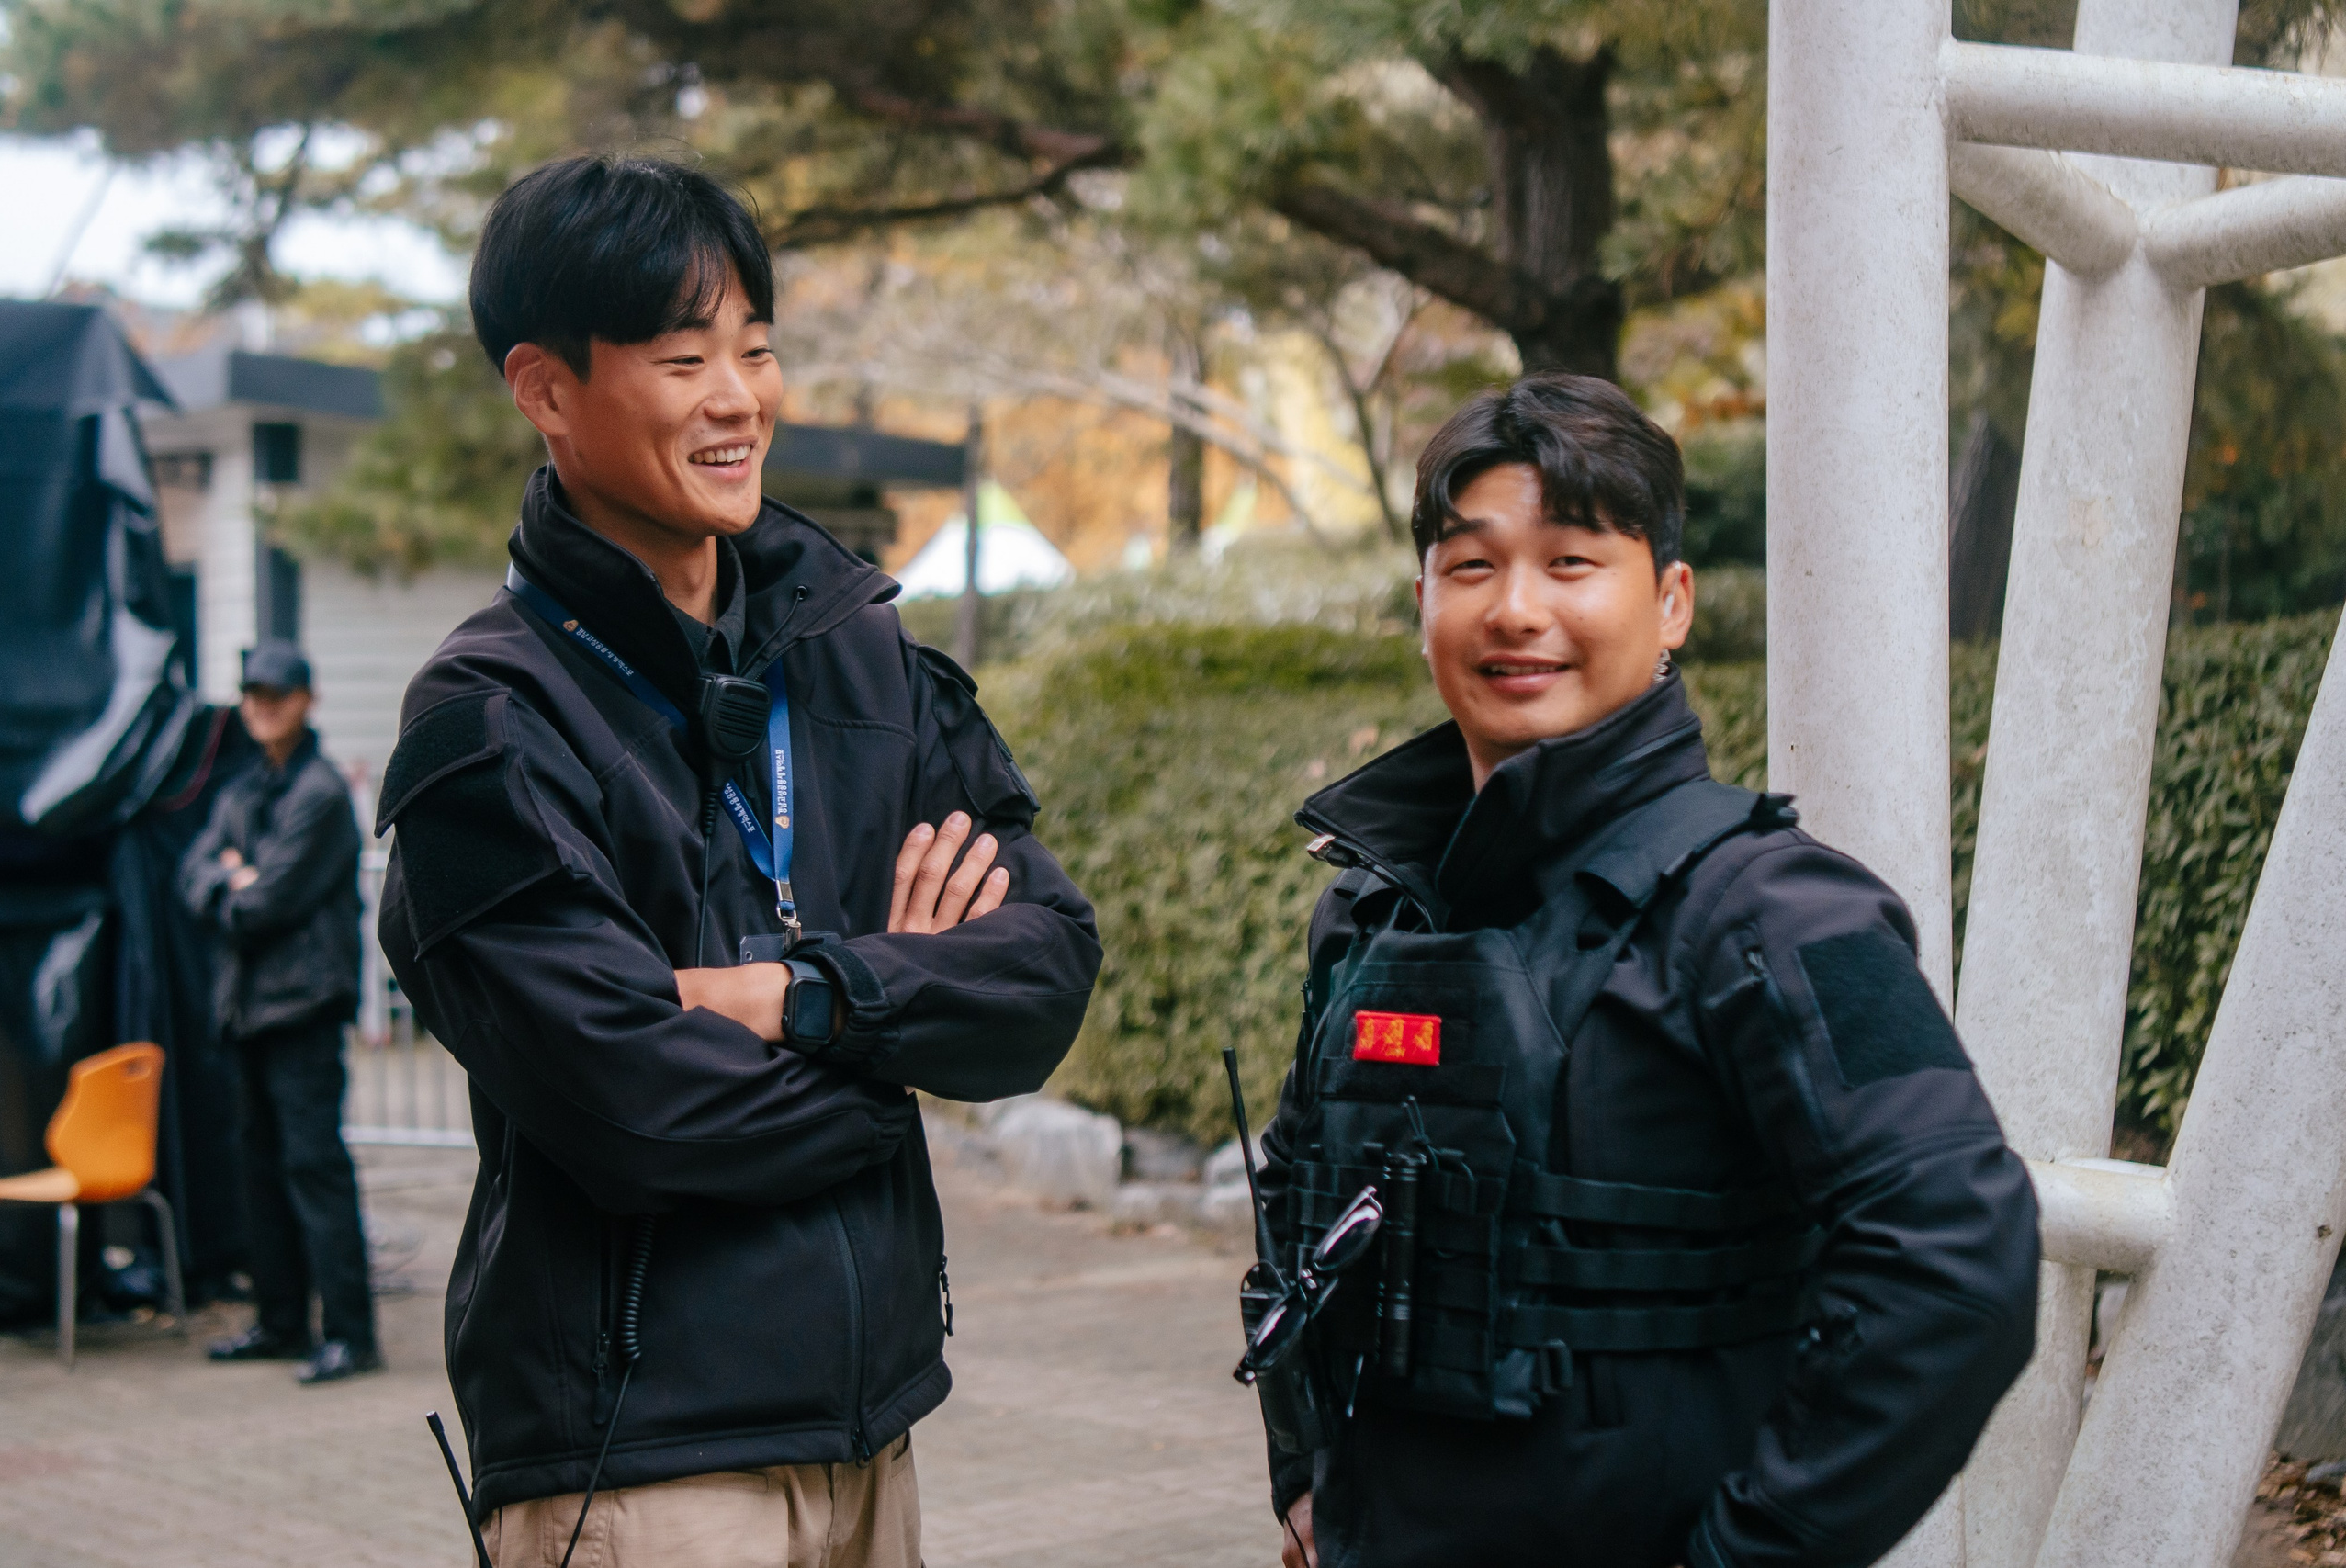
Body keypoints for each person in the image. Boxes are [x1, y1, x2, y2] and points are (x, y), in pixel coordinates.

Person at [376, 154, 1101, 1568]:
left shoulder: (859, 653)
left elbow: (1045, 971)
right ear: (544, 388)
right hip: (642, 1465)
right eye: (682, 357)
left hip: (875, 1437)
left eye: (756, 349)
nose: (738, 397)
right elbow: (638, 1109)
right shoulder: (491, 721)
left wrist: (805, 998)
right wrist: (899, 1045)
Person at [1248, 374, 2041, 1568]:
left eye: (1571, 562)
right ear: (1423, 602)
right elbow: (1302, 1196)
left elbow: (1959, 1265)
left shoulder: (1774, 908)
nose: (1516, 609)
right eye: (1472, 567)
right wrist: (1306, 1478)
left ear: (1670, 602)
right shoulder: (1370, 907)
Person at [179, 639, 378, 1385]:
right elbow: (191, 873)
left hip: (303, 1010)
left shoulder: (320, 794)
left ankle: (351, 1334)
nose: (261, 705)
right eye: (252, 693)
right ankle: (282, 1321)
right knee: (259, 1172)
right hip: (247, 1011)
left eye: (276, 693)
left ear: (306, 700)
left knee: (313, 1168)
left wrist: (237, 881)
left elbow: (266, 903)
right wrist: (229, 880)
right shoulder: (245, 790)